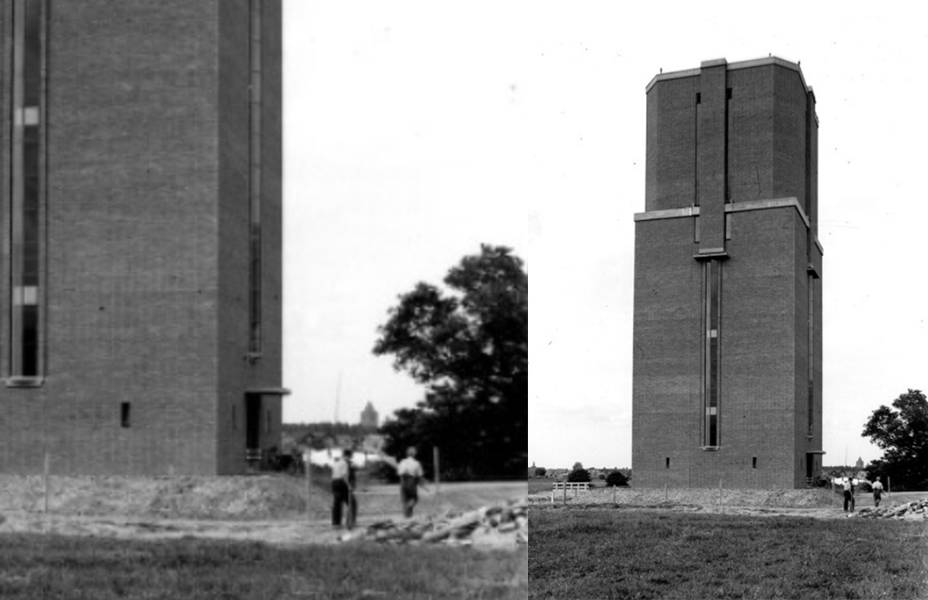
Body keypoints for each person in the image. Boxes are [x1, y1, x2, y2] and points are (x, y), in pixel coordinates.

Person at [330, 449, 357, 529]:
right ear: (349, 455)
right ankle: (350, 521)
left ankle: (336, 523)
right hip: (342, 482)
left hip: (334, 482)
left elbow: (333, 473)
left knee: (337, 503)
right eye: (351, 456)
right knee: (351, 501)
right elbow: (344, 475)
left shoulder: (336, 462)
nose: (351, 457)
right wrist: (348, 485)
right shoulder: (346, 462)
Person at [397, 446, 426, 518]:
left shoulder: (402, 462)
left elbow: (400, 472)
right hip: (411, 481)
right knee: (414, 498)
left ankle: (407, 516)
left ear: (407, 453)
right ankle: (409, 508)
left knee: (404, 499)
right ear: (415, 454)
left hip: (403, 481)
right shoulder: (417, 463)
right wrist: (421, 482)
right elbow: (420, 474)